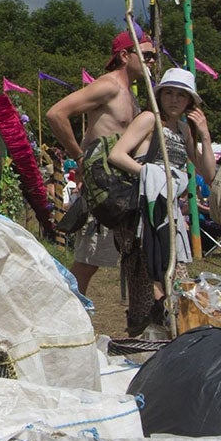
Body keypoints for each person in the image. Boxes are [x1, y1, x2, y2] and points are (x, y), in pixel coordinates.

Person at [44, 31, 159, 295]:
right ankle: (67, 311)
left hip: (121, 189)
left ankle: (146, 316)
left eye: (153, 56)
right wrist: (80, 157)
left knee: (136, 257)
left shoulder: (129, 94)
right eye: (147, 54)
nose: (152, 61)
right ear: (124, 55)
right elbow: (56, 114)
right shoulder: (109, 86)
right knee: (87, 262)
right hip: (102, 190)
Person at [110, 67, 218, 336]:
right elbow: (117, 154)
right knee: (147, 281)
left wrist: (204, 134)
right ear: (159, 95)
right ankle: (145, 340)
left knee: (174, 278)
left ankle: (165, 338)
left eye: (181, 95)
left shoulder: (183, 129)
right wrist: (151, 174)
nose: (174, 100)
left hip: (169, 212)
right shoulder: (148, 119)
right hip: (143, 212)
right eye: (168, 93)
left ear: (190, 102)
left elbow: (209, 173)